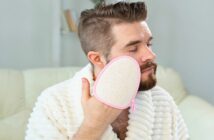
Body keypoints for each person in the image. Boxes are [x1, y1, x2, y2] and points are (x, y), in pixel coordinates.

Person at [25, 2, 189, 140]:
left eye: (149, 44)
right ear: (97, 59)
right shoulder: (54, 103)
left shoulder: (162, 102)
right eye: (133, 48)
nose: (150, 55)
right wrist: (93, 125)